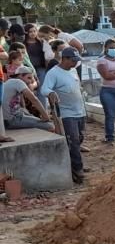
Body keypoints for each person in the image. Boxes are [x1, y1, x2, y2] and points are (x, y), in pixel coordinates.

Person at [41, 48, 86, 184]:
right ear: (64, 58)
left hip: (79, 111)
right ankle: (77, 169)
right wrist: (51, 93)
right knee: (73, 140)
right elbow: (44, 89)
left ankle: (73, 164)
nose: (74, 63)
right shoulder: (53, 73)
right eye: (72, 60)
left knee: (80, 138)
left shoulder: (73, 70)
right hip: (66, 113)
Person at [2, 66, 53, 131]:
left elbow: (22, 104)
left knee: (28, 114)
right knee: (50, 126)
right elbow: (34, 99)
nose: (31, 81)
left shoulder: (10, 82)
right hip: (12, 119)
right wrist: (46, 116)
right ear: (20, 76)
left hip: (8, 119)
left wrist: (28, 114)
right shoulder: (18, 82)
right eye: (29, 78)